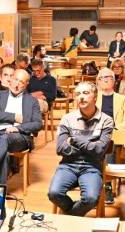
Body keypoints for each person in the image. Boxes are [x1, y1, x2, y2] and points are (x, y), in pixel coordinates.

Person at [48, 81, 113, 216]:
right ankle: (74, 213)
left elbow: (99, 150)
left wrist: (74, 140)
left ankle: (69, 215)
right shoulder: (68, 119)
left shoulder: (106, 120)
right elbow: (60, 148)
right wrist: (89, 146)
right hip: (68, 165)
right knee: (54, 193)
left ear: (95, 97)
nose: (81, 97)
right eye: (78, 94)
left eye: (86, 93)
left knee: (90, 199)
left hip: (92, 166)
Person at [95, 67, 125, 204]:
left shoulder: (123, 99)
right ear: (98, 82)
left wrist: (113, 130)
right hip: (96, 132)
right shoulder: (93, 98)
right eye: (101, 78)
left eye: (107, 77)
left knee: (108, 144)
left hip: (114, 133)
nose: (104, 80)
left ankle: (107, 185)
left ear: (114, 80)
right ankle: (92, 182)